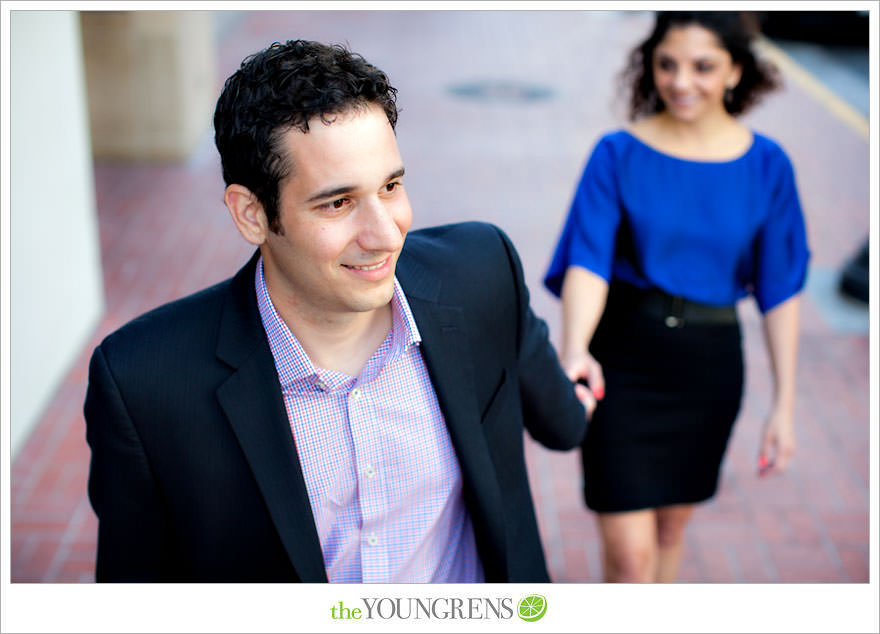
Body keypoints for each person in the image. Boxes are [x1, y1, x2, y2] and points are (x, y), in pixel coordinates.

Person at [83, 39, 587, 583]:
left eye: (390, 187)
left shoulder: (482, 273)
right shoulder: (143, 385)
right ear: (251, 214)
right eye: (337, 203)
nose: (384, 234)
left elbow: (562, 421)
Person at [544, 11, 809, 582]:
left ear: (736, 71)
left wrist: (784, 405)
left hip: (707, 369)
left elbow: (780, 289)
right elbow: (587, 261)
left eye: (702, 66)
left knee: (669, 532)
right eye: (667, 64)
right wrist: (576, 350)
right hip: (622, 362)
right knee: (631, 557)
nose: (681, 81)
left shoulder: (768, 165)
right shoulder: (616, 153)